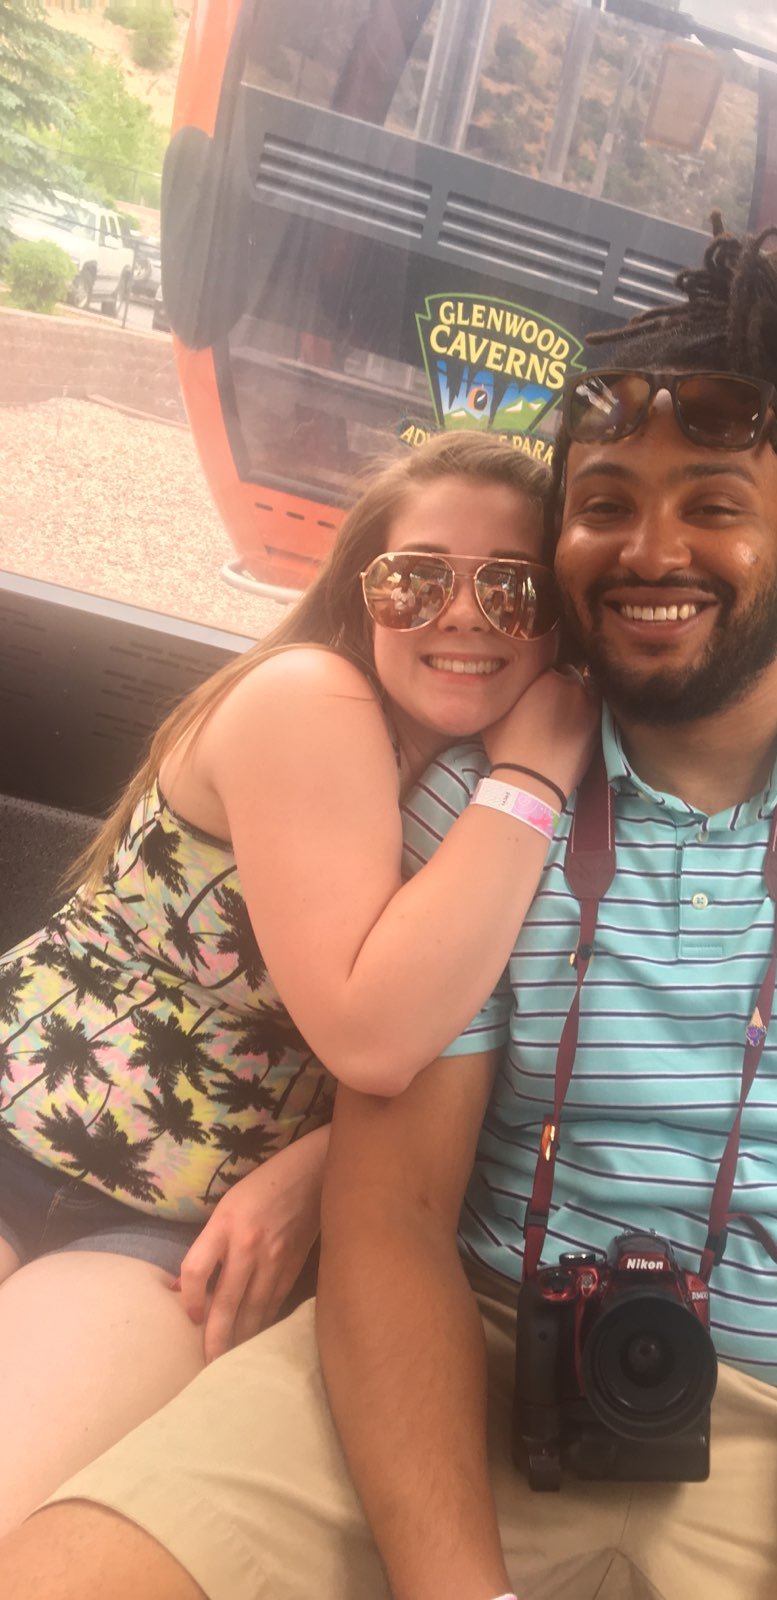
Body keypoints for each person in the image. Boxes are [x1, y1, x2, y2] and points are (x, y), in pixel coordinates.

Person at [0, 223, 777, 1600]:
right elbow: (395, 1220)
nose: (652, 546)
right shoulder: (481, 804)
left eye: (714, 504)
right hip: (471, 1351)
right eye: (608, 501)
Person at [0, 431, 595, 1533]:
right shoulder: (313, 697)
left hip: (177, 1231)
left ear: (557, 621)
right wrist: (532, 772)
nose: (461, 614)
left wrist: (318, 1167)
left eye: (513, 590)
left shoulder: (459, 794)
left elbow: (464, 1047)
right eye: (416, 578)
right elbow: (374, 1036)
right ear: (364, 591)